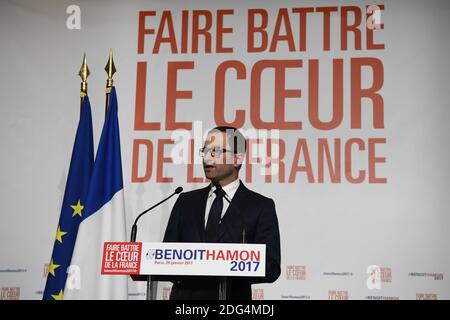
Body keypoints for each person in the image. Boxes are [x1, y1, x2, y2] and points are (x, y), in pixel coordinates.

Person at [163, 126, 281, 300]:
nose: (206, 157)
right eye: (205, 151)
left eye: (216, 151)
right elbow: (166, 256)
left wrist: (235, 263)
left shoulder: (260, 206)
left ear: (237, 159)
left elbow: (271, 266)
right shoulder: (185, 202)